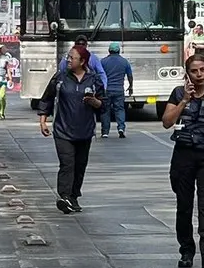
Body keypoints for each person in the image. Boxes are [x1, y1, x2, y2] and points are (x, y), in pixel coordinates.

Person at [161, 54, 204, 268]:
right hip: (184, 155)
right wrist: (185, 100)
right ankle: (186, 250)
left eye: (203, 70)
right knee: (184, 205)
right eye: (194, 71)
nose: (199, 75)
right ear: (187, 74)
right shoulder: (178, 94)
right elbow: (166, 122)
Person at [38, 45, 105, 215]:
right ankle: (65, 196)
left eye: (72, 58)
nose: (68, 60)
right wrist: (43, 121)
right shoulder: (60, 78)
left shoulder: (94, 79)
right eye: (68, 57)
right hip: (62, 130)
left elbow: (104, 104)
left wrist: (95, 102)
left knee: (80, 165)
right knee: (67, 164)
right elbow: (47, 98)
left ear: (82, 61)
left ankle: (74, 196)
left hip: (85, 131)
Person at [100, 43, 134, 138]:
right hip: (119, 90)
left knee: (105, 110)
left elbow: (98, 75)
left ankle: (105, 132)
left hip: (106, 90)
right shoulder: (124, 62)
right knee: (119, 109)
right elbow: (130, 76)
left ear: (109, 51)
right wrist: (131, 86)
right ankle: (121, 128)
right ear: (118, 51)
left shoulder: (103, 62)